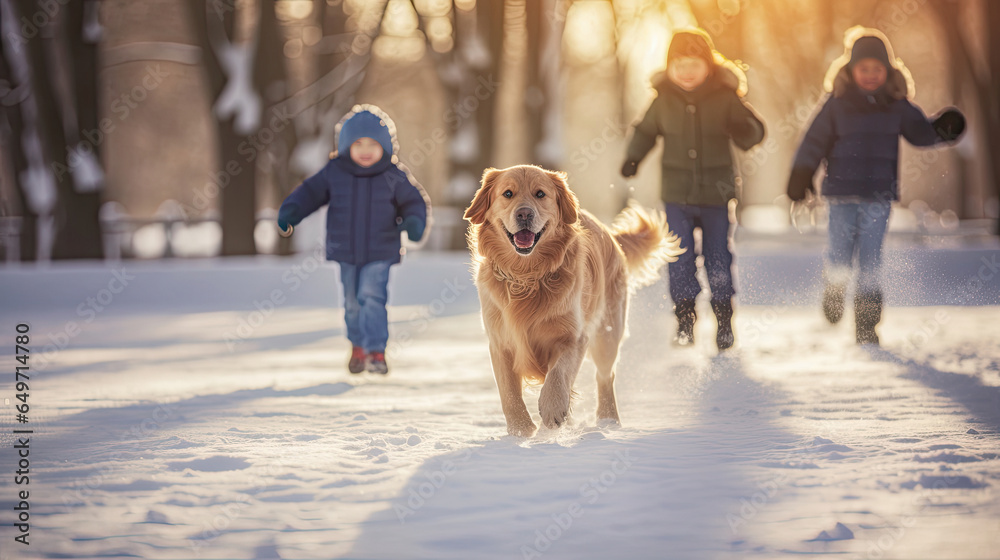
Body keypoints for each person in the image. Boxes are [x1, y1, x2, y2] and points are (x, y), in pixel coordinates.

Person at [787, 27, 965, 345]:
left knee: (871, 259)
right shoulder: (836, 104)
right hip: (841, 195)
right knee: (839, 255)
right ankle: (835, 291)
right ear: (851, 70)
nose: (870, 75)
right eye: (863, 69)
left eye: (877, 69)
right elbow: (813, 141)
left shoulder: (896, 105)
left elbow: (919, 132)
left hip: (878, 196)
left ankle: (867, 325)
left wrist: (942, 129)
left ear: (888, 71)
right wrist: (801, 174)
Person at [621, 28, 765, 351]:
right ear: (670, 68)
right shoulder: (663, 99)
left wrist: (744, 129)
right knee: (679, 256)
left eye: (694, 65)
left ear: (709, 66)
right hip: (677, 195)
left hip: (716, 195)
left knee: (718, 257)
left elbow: (754, 132)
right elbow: (644, 131)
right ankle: (685, 320)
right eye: (679, 65)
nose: (686, 72)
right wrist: (633, 158)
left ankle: (724, 322)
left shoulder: (725, 96)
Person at [277, 104, 430, 374]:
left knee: (371, 296)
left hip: (381, 250)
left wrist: (414, 223)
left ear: (385, 146)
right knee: (352, 302)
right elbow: (309, 193)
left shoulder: (393, 175)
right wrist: (292, 210)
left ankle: (376, 352)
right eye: (358, 143)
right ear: (346, 145)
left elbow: (414, 202)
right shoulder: (334, 172)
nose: (366, 150)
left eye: (373, 143)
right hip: (346, 251)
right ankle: (357, 347)